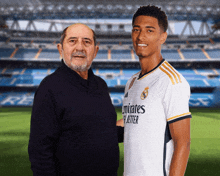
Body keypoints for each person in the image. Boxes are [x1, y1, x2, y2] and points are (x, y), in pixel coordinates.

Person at [28, 23, 123, 176]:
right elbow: (40, 151)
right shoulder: (50, 87)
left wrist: (132, 123)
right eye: (72, 41)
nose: (80, 47)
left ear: (95, 51)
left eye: (87, 42)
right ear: (60, 49)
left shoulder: (100, 85)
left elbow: (100, 132)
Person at [117, 5, 191, 176]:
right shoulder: (132, 82)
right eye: (136, 29)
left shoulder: (172, 81)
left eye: (149, 30)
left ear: (162, 37)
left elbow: (183, 143)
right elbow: (132, 121)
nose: (140, 36)